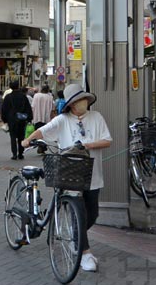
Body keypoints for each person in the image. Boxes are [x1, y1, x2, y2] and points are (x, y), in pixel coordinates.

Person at [22, 84, 111, 272]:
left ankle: (75, 237)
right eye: (79, 100)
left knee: (92, 213)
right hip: (70, 175)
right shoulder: (62, 120)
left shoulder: (96, 117)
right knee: (79, 213)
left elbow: (107, 140)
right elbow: (44, 131)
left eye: (84, 99)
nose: (83, 103)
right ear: (71, 104)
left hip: (92, 174)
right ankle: (84, 252)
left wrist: (86, 145)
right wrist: (28, 139)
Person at [1, 80, 31, 160]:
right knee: (21, 136)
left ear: (10, 87)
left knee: (13, 137)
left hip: (11, 120)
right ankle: (21, 153)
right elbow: (28, 107)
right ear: (18, 86)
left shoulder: (8, 97)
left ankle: (14, 154)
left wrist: (5, 120)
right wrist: (29, 118)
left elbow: (4, 109)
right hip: (21, 119)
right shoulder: (23, 96)